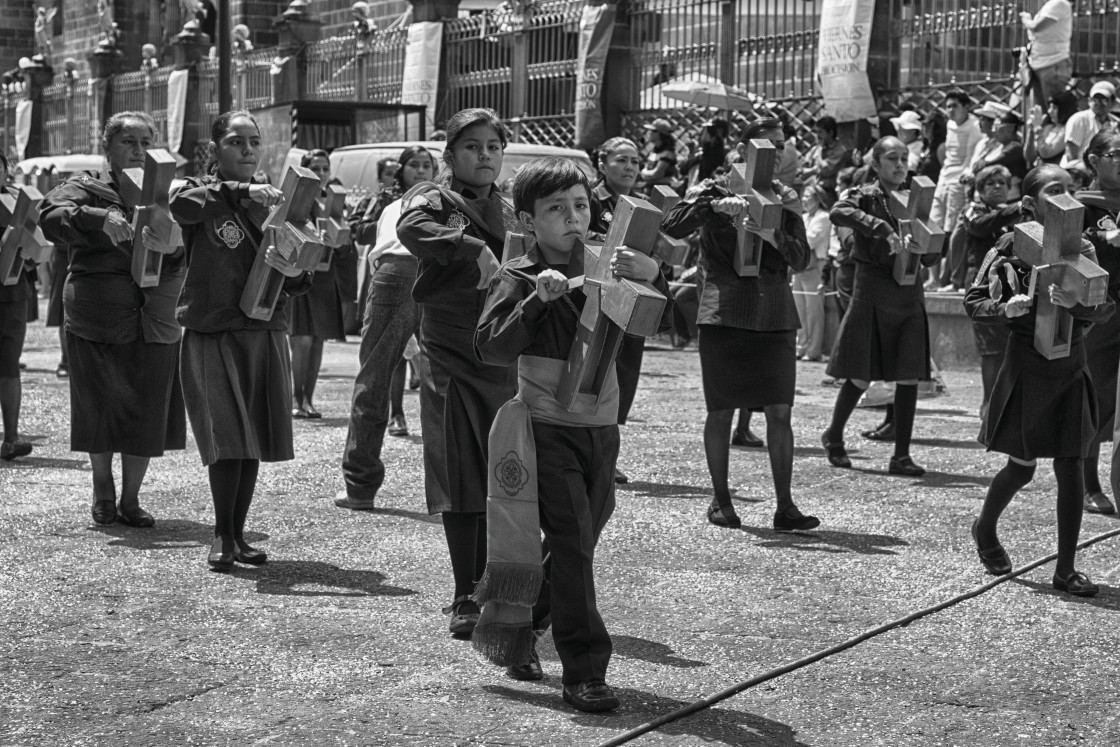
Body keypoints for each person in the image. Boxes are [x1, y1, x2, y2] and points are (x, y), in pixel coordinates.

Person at [473, 156, 671, 712]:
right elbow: (490, 347)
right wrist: (540, 298)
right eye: (556, 209)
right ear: (529, 220)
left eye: (580, 205)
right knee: (575, 545)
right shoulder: (518, 275)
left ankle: (519, 628)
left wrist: (655, 276)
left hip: (602, 427)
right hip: (544, 427)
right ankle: (584, 672)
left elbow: (665, 321)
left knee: (579, 541)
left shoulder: (611, 265)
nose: (573, 218)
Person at [169, 110, 311, 570]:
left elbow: (295, 269)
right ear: (215, 150)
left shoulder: (277, 201)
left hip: (264, 329)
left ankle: (238, 534)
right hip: (213, 329)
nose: (248, 150)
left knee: (251, 438)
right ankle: (221, 534)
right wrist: (242, 191)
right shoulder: (195, 191)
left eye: (254, 141)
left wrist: (296, 271)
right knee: (225, 436)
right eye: (236, 142)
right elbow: (182, 206)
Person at [397, 108, 518, 638]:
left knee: (505, 471)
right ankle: (463, 593)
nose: (484, 155)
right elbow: (411, 228)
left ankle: (502, 584)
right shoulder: (433, 198)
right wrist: (472, 249)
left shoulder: (514, 210)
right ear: (450, 155)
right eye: (472, 146)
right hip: (450, 351)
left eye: (493, 146)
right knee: (458, 470)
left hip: (505, 353)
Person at [664, 118, 820, 531]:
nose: (779, 151)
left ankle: (785, 507)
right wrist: (713, 207)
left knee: (780, 411)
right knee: (722, 411)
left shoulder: (786, 197)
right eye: (771, 143)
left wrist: (774, 238)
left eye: (784, 145)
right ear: (743, 147)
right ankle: (721, 500)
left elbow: (803, 258)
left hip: (774, 313)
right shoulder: (714, 186)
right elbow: (672, 224)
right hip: (724, 309)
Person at [965, 163, 1112, 598]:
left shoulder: (1083, 246)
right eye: (1054, 190)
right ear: (1030, 204)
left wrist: (1078, 302)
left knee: (1071, 463)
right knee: (1022, 466)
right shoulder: (1012, 245)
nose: (1067, 197)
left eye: (1072, 188)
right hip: (1027, 363)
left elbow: (1103, 304)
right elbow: (974, 298)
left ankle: (1065, 569)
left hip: (1071, 361)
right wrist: (1004, 308)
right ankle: (984, 526)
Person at [39, 111, 186, 526]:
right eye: (128, 142)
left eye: (144, 142)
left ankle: (132, 498)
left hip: (154, 316)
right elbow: (50, 217)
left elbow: (186, 252)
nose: (138, 150)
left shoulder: (168, 194)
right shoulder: (86, 188)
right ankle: (103, 487)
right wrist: (98, 218)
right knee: (99, 405)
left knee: (146, 407)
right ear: (108, 148)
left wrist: (175, 246)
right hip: (97, 314)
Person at [822, 137, 939, 478]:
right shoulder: (867, 195)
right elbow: (838, 211)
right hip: (872, 288)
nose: (900, 164)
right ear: (875, 164)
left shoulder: (916, 198)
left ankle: (901, 455)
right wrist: (881, 228)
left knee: (908, 374)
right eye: (892, 158)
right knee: (860, 373)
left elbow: (931, 254)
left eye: (904, 158)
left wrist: (925, 246)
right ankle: (834, 436)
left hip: (908, 290)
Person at [335, 145, 436, 511]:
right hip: (429, 270)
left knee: (375, 374)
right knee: (443, 380)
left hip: (399, 271)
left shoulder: (405, 204)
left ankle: (360, 487)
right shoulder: (403, 201)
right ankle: (452, 488)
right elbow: (359, 233)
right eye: (416, 165)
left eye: (428, 165)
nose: (422, 171)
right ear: (402, 170)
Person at [589, 136, 656, 483]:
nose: (630, 166)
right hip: (596, 301)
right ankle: (590, 454)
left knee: (623, 379)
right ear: (602, 163)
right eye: (622, 160)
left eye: (635, 160)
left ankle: (607, 458)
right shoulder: (587, 197)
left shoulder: (643, 205)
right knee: (593, 376)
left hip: (630, 302)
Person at [1076, 130, 1120, 515]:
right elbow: (1068, 245)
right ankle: (1089, 484)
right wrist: (1102, 238)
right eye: (1116, 154)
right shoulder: (1081, 203)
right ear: (1094, 160)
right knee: (1095, 396)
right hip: (1101, 312)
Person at [287, 149, 347, 419]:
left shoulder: (334, 199)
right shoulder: (299, 197)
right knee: (301, 340)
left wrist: (341, 240)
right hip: (301, 273)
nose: (322, 173)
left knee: (318, 340)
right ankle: (294, 399)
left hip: (326, 277)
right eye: (316, 168)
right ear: (305, 169)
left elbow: (345, 242)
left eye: (325, 168)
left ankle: (308, 400)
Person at [960, 165, 1019, 417]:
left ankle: (1006, 403)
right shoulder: (975, 210)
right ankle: (988, 405)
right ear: (980, 190)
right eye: (990, 183)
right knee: (991, 348)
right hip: (982, 288)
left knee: (1010, 347)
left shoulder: (1019, 214)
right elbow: (980, 226)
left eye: (1002, 183)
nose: (997, 187)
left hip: (1013, 286)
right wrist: (1013, 211)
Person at [0, 154, 36, 460]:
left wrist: (30, 249)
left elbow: (38, 245)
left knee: (9, 364)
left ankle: (11, 438)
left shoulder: (16, 203)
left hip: (12, 295)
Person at [931, 91, 983, 234]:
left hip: (959, 181)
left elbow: (972, 156)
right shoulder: (950, 124)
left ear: (966, 107)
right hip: (944, 177)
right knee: (934, 221)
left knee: (951, 225)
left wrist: (964, 176)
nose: (950, 110)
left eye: (955, 106)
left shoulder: (975, 126)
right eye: (948, 107)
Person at [793, 183, 834, 362]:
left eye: (809, 195)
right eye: (803, 196)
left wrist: (792, 241)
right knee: (800, 310)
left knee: (813, 311)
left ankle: (814, 349)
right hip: (798, 266)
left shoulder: (824, 217)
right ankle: (801, 347)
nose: (804, 199)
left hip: (814, 266)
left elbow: (808, 240)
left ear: (818, 198)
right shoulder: (802, 217)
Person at [1018, 0, 1074, 113]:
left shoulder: (1059, 3)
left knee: (1055, 111)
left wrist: (1026, 19)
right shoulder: (1054, 4)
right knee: (1041, 114)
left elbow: (1037, 27)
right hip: (1041, 64)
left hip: (1052, 64)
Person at [1062, 81, 1119, 170]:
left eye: (1104, 100)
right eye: (1095, 99)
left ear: (1112, 102)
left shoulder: (1115, 123)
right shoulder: (1080, 119)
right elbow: (1071, 156)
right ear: (1089, 100)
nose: (1098, 103)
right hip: (1079, 175)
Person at [800, 115, 853, 199]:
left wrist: (812, 170)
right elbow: (803, 166)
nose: (817, 135)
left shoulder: (840, 150)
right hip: (812, 192)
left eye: (820, 132)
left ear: (831, 133)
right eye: (816, 132)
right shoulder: (816, 148)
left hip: (830, 193)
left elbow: (826, 169)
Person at [1025, 91, 1078, 166]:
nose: (1050, 111)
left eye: (1054, 108)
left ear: (1065, 109)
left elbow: (1046, 153)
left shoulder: (1068, 130)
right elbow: (1029, 157)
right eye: (1050, 107)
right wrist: (1031, 130)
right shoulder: (1048, 128)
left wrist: (1037, 129)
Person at [639, 117, 679, 194]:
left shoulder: (668, 153)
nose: (649, 132)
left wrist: (644, 173)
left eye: (653, 131)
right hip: (649, 190)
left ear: (661, 134)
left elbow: (657, 174)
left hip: (661, 192)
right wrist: (645, 173)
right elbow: (646, 170)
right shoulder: (653, 151)